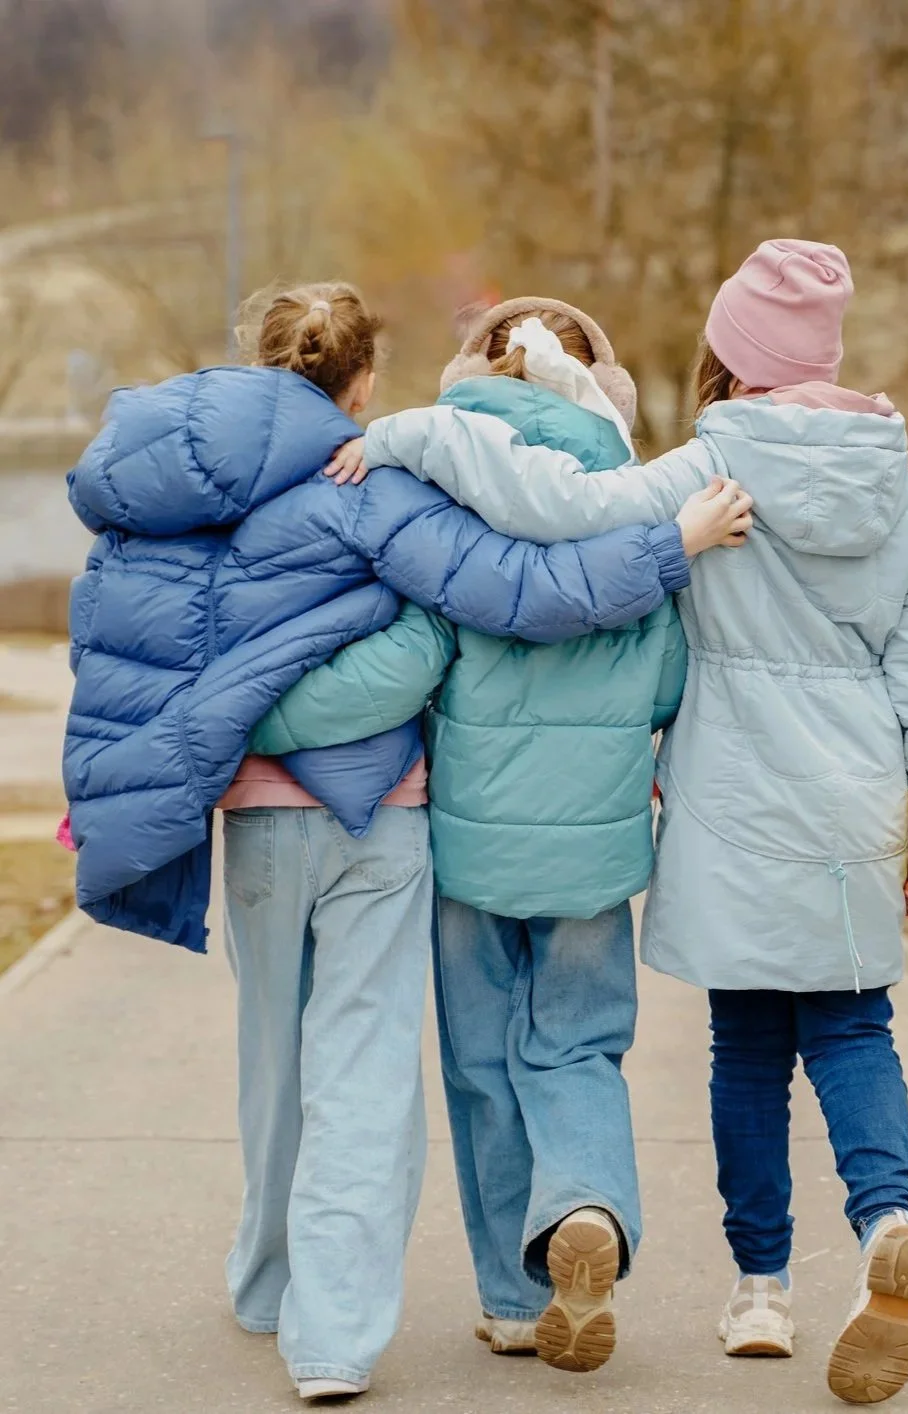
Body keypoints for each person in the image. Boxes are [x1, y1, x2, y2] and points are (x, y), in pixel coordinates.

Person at [62, 282, 746, 1403]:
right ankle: (332, 1336)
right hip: (379, 812)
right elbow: (526, 592)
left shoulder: (158, 498)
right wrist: (669, 547)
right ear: (361, 383)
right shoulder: (376, 481)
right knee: (365, 1068)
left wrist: (214, 727)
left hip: (256, 826)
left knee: (272, 1057)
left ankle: (267, 1281)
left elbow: (124, 658)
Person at [333, 242, 908, 1405]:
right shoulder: (896, 480)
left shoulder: (709, 461)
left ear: (727, 356)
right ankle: (888, 1215)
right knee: (852, 1027)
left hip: (734, 787)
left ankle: (761, 1290)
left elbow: (566, 510)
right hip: (855, 791)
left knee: (747, 1042)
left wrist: (409, 432)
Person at [250, 297, 752, 1375]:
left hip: (469, 847)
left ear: (469, 378)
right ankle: (586, 1209)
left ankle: (517, 1299)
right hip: (596, 849)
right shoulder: (638, 504)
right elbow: (668, 682)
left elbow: (424, 655)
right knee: (574, 1042)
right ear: (600, 390)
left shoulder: (441, 491)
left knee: (482, 1061)